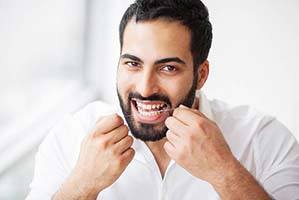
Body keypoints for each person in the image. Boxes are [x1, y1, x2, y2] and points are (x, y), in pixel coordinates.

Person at [26, 0, 299, 199]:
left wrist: (223, 172)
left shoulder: (264, 139)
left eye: (168, 68)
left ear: (201, 74)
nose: (145, 88)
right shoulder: (70, 137)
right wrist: (82, 186)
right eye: (133, 64)